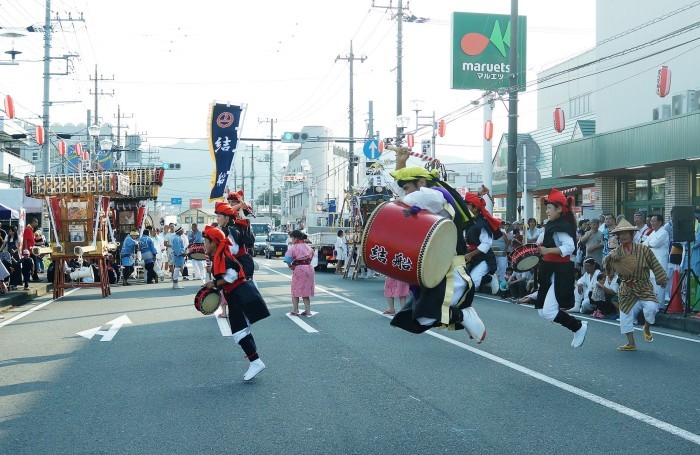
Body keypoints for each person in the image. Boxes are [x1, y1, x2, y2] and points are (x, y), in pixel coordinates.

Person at [387, 147, 485, 343]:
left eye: (407, 187)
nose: (404, 193)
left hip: (449, 270)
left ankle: (464, 315)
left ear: (422, 182)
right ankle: (464, 314)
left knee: (427, 316)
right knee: (418, 318)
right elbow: (404, 195)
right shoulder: (425, 196)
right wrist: (401, 162)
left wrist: (398, 198)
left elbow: (410, 198)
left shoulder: (437, 195)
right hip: (436, 268)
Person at [202, 225, 270, 381]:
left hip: (242, 295)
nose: (204, 245)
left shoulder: (223, 257)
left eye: (205, 241)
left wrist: (214, 283)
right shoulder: (220, 255)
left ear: (213, 243)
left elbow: (232, 276)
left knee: (240, 332)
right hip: (238, 295)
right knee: (243, 331)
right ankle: (255, 361)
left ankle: (256, 362)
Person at [603, 219, 668, 351]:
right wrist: (610, 256)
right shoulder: (616, 251)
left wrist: (661, 279)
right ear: (618, 237)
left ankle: (647, 327)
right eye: (620, 234)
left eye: (626, 233)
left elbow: (655, 264)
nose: (623, 236)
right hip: (626, 286)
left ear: (632, 234)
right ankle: (631, 343)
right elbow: (605, 265)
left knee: (651, 308)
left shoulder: (643, 249)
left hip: (644, 285)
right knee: (625, 315)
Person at [536, 189, 588, 348]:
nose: (547, 211)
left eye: (549, 208)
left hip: (559, 272)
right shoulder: (552, 225)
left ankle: (578, 327)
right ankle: (571, 322)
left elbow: (569, 247)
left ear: (559, 209)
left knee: (549, 312)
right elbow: (541, 245)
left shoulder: (561, 227)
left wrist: (547, 251)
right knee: (542, 311)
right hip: (549, 270)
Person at [463, 192, 501, 292]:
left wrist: (470, 255)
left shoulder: (482, 224)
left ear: (475, 209)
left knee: (474, 281)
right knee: (463, 280)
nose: (465, 206)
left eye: (467, 204)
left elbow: (486, 244)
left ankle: (489, 277)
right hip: (471, 255)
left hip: (484, 257)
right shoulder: (469, 220)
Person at [285, 229, 315, 316]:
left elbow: (287, 258)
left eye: (292, 238)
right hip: (309, 268)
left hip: (299, 269)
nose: (291, 240)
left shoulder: (294, 248)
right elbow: (312, 256)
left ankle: (295, 309)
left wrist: (290, 266)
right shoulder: (308, 247)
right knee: (305, 290)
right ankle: (308, 310)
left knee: (295, 289)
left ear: (296, 238)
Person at [644, 213, 670, 308]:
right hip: (652, 262)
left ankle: (660, 306)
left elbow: (654, 244)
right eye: (651, 221)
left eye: (654, 221)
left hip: (661, 262)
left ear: (660, 222)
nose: (652, 223)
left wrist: (648, 244)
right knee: (652, 284)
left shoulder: (664, 232)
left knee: (659, 284)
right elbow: (644, 243)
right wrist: (648, 244)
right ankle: (653, 304)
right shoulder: (653, 232)